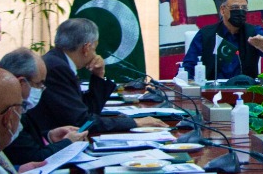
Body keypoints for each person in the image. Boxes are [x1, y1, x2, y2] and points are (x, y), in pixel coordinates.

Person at [28, 18, 168, 133]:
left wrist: (98, 76)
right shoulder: (58, 68)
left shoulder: (59, 61)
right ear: (86, 48)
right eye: (95, 48)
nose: (96, 54)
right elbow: (82, 122)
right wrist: (133, 122)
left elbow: (87, 110)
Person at [0, 48, 88, 165]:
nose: (42, 88)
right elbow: (33, 158)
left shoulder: (21, 106)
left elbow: (27, 143)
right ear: (21, 83)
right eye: (39, 83)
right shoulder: (6, 112)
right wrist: (68, 142)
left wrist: (49, 136)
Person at [182, 0, 263, 79]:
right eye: (235, 8)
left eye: (243, 8)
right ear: (222, 10)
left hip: (246, 92)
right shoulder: (206, 34)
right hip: (213, 92)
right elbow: (188, 68)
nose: (240, 12)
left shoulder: (253, 32)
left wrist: (262, 45)